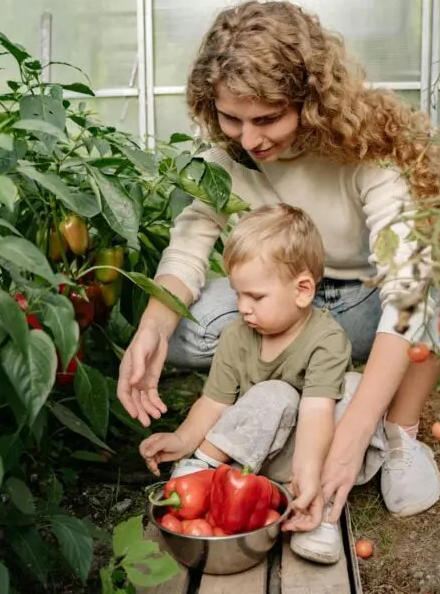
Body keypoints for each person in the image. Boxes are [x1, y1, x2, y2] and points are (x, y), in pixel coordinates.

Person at [118, 0, 440, 551]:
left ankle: (399, 431)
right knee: (188, 331)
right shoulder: (231, 154)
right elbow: (190, 244)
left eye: (267, 119)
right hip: (297, 299)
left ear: (309, 102)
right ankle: (294, 401)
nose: (248, 138)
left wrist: (353, 435)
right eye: (230, 117)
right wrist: (151, 328)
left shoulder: (368, 150)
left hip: (367, 297)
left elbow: (408, 288)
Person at [139, 203, 372, 564]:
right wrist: (183, 440)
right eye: (238, 294)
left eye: (256, 297)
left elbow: (316, 413)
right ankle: (203, 470)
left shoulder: (327, 338)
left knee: (356, 391)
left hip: (307, 453)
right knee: (275, 394)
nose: (243, 308)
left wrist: (307, 474)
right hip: (252, 454)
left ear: (303, 290)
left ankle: (319, 506)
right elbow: (214, 402)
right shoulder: (237, 336)